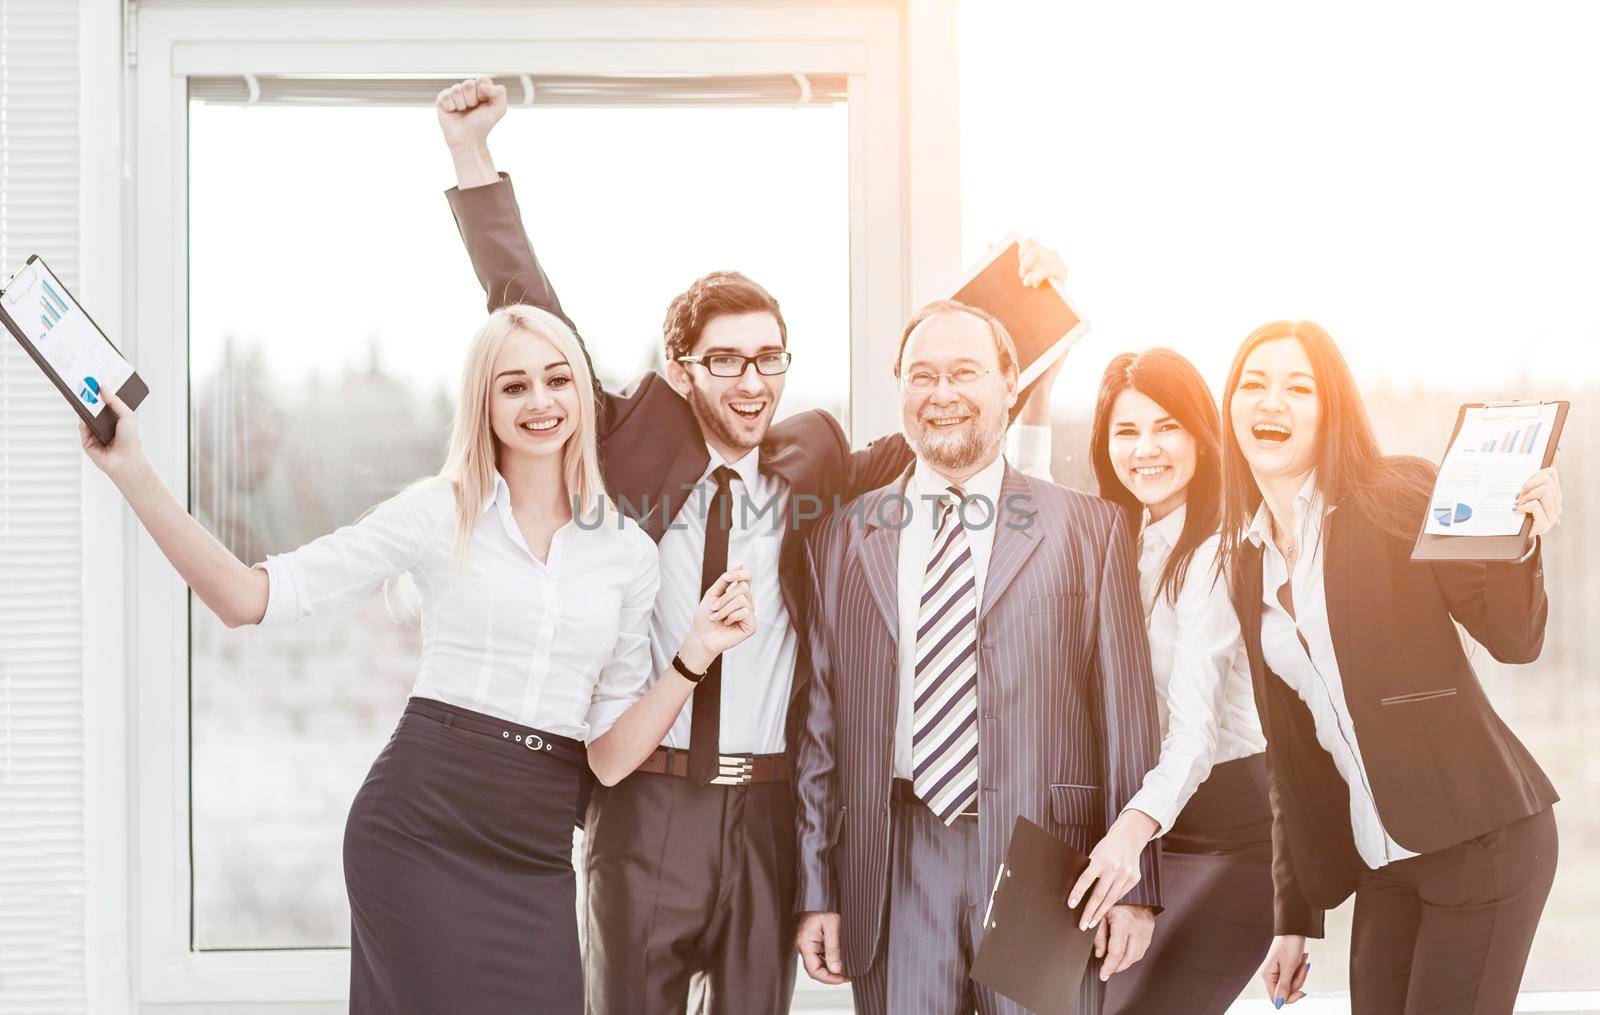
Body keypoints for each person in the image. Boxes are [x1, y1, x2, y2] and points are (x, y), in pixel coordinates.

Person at [433, 77, 1067, 1015]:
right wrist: (470, 156)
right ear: (679, 367)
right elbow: (524, 299)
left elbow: (947, 409)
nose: (752, 378)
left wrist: (1024, 287)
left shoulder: (815, 461)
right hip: (644, 805)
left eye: (769, 356)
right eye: (725, 358)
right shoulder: (620, 440)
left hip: (770, 813)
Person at [80, 304, 759, 1014]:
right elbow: (246, 598)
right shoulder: (439, 512)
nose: (541, 401)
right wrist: (133, 471)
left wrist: (692, 655)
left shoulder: (627, 556)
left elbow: (611, 757)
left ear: (583, 395)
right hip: (417, 830)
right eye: (514, 385)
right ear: (484, 403)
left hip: (534, 850)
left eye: (558, 379)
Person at [793, 299, 1162, 1015]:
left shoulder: (1090, 529)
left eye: (964, 372)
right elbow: (819, 729)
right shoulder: (841, 538)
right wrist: (816, 889)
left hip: (1049, 860)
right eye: (921, 376)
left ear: (1009, 383)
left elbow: (1127, 718)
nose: (943, 394)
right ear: (899, 389)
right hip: (893, 858)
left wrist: (1137, 887)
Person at [1217, 320, 1563, 1012]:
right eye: (1253, 385)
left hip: (1482, 837)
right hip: (1383, 860)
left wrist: (1521, 544)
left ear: (1331, 407)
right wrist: (1292, 918)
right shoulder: (1246, 558)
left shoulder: (1397, 494)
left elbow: (1512, 639)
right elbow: (1290, 752)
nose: (1271, 402)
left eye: (1297, 386)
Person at [1072, 349, 1275, 1014]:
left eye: (1167, 427)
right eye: (1126, 432)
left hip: (1230, 836)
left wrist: (1128, 838)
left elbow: (1192, 735)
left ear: (1200, 434)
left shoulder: (1216, 550)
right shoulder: (1113, 535)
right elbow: (1025, 487)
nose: (1146, 449)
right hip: (1148, 826)